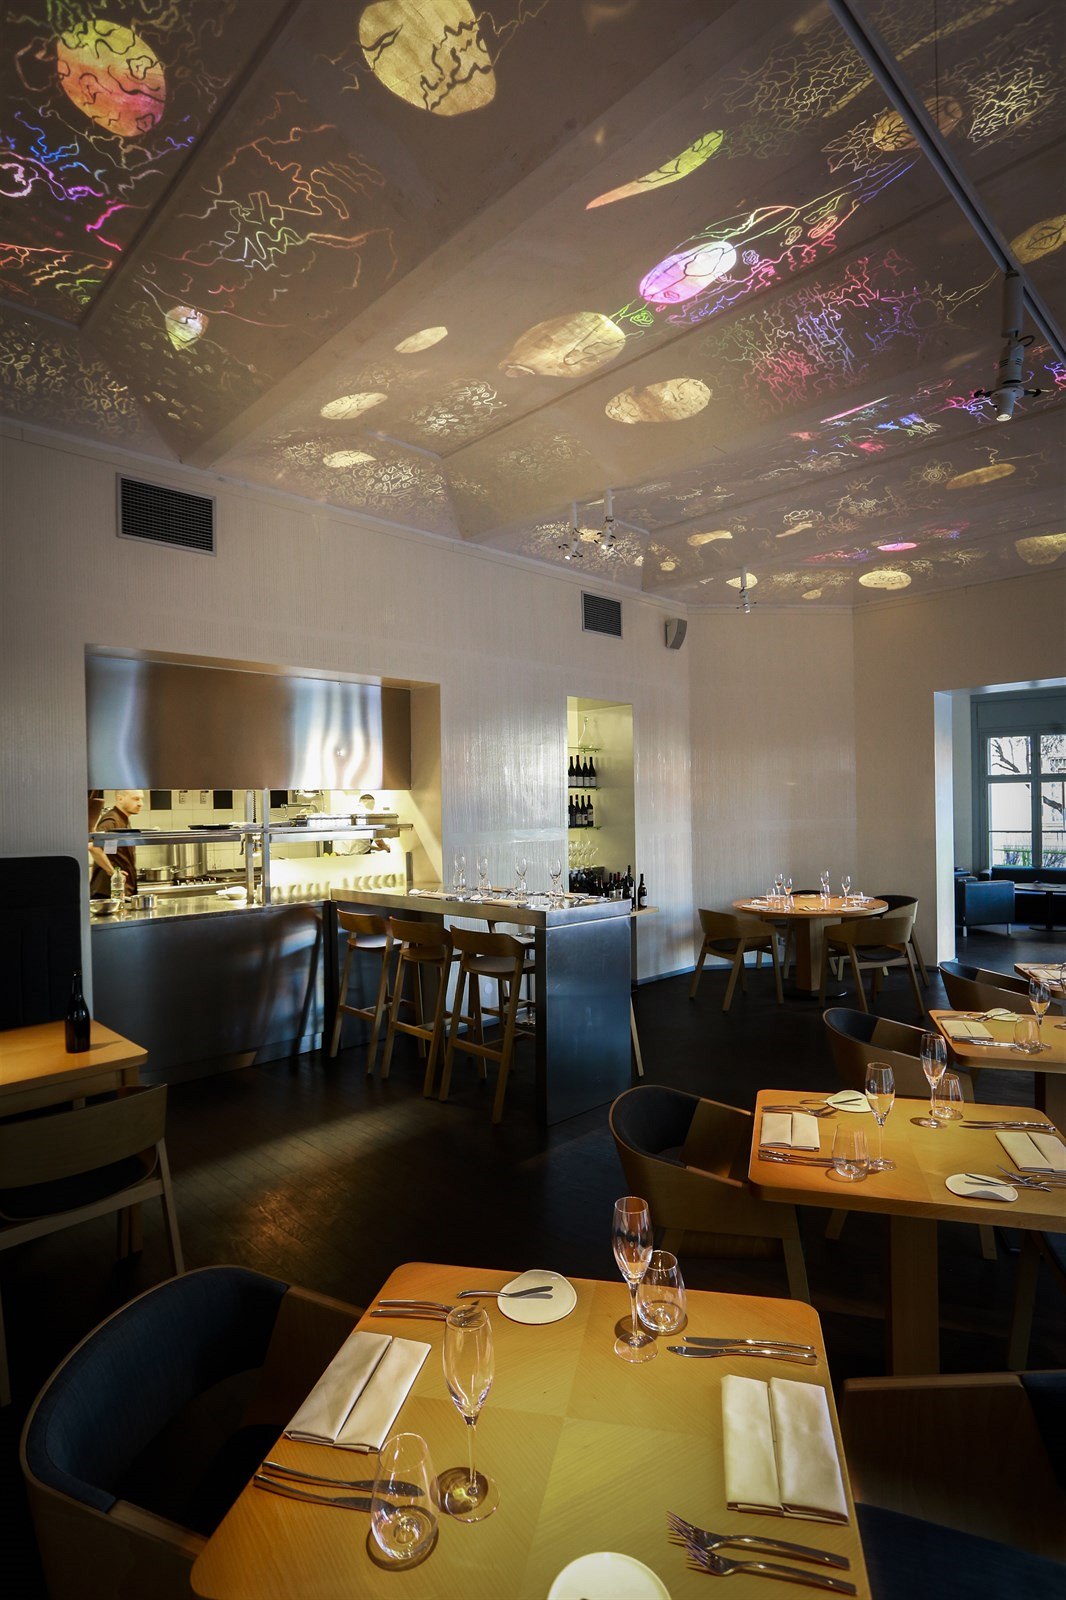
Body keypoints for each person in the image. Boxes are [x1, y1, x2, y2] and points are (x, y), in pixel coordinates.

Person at [89, 789, 143, 898]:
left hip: (118, 890)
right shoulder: (111, 821)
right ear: (120, 799)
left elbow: (109, 850)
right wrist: (112, 872)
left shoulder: (122, 820)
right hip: (108, 892)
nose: (140, 803)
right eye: (136, 799)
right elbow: (92, 846)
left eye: (141, 799)